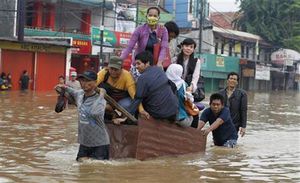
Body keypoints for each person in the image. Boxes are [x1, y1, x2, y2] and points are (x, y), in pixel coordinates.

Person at [55, 70, 110, 161]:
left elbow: (95, 112)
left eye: (88, 81)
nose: (84, 83)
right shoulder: (80, 94)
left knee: (98, 171)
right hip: (84, 142)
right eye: (82, 81)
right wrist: (62, 87)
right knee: (81, 170)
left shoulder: (100, 98)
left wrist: (102, 95)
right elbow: (72, 91)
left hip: (99, 143)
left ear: (95, 82)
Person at [120, 6, 169, 79]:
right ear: (146, 16)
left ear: (159, 17)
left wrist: (160, 62)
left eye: (155, 16)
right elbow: (130, 47)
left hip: (154, 64)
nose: (152, 17)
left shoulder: (163, 30)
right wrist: (120, 60)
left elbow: (164, 47)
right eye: (150, 15)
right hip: (139, 64)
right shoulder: (140, 29)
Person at [127, 51, 178, 120]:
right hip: (174, 109)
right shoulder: (159, 70)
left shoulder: (142, 78)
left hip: (158, 114)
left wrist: (126, 117)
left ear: (147, 63)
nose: (136, 67)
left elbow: (137, 100)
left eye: (138, 64)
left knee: (139, 103)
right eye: (136, 64)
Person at [172, 38, 202, 128]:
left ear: (193, 49)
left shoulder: (196, 61)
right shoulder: (175, 59)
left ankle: (193, 134)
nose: (188, 49)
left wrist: (191, 87)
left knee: (194, 113)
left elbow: (195, 77)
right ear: (182, 47)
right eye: (186, 46)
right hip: (176, 89)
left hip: (188, 90)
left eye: (191, 47)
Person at [219, 72, 247, 137]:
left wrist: (243, 127)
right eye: (231, 78)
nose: (232, 80)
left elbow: (243, 110)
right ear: (227, 80)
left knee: (231, 143)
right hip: (220, 123)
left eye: (234, 79)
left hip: (234, 124)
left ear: (237, 82)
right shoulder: (220, 93)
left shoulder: (242, 94)